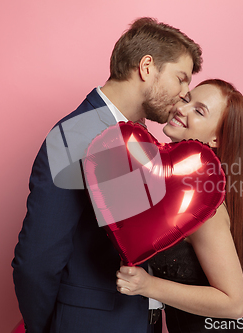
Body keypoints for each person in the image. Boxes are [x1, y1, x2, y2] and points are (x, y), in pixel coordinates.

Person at [11, 17, 202, 333]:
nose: (185, 94)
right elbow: (36, 262)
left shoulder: (142, 140)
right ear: (146, 67)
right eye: (181, 78)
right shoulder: (74, 135)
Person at [116, 79, 243, 333]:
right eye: (187, 100)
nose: (182, 109)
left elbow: (234, 304)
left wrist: (146, 286)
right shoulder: (173, 185)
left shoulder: (203, 205)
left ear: (216, 139)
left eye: (199, 111)